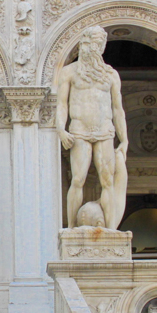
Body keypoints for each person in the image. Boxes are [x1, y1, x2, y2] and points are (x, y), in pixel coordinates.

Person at [54, 25, 128, 229]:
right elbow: (61, 104)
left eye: (100, 44)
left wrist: (124, 139)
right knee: (78, 179)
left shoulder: (111, 75)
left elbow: (117, 108)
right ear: (83, 45)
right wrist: (61, 128)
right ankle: (70, 229)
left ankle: (111, 229)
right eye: (92, 43)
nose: (96, 48)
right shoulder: (69, 72)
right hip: (79, 131)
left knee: (107, 181)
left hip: (105, 131)